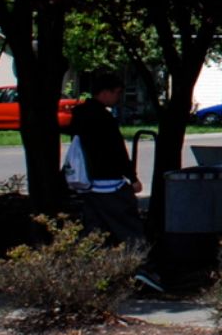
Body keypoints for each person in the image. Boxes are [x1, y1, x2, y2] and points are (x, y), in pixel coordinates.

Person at [68, 72, 163, 293]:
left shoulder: (79, 115)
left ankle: (87, 273)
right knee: (130, 228)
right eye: (117, 92)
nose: (118, 97)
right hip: (110, 183)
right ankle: (144, 268)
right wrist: (133, 177)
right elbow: (117, 151)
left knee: (94, 230)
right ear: (106, 92)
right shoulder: (104, 119)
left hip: (89, 183)